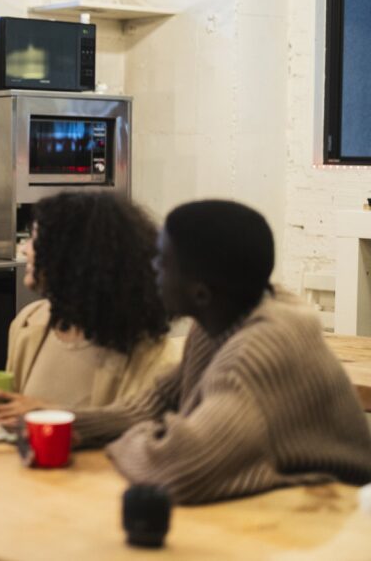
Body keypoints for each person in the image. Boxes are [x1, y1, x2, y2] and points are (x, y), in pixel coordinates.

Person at [71, 200, 371, 504]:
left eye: (163, 261)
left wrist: (137, 437)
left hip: (337, 514)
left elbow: (179, 471)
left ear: (200, 293)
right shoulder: (221, 317)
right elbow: (160, 402)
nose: (153, 268)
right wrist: (71, 424)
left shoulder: (260, 350)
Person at [0, 192, 179, 426]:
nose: (25, 249)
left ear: (73, 255)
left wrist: (48, 413)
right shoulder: (30, 321)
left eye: (35, 240)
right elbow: (18, 414)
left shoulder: (150, 352)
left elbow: (142, 433)